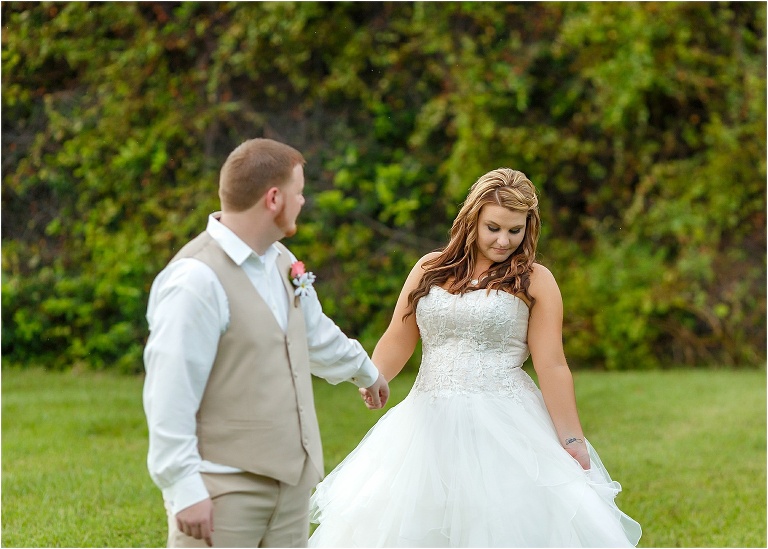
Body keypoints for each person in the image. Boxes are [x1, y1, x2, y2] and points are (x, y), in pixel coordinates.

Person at [309, 168, 642, 547]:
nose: (503, 241)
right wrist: (374, 375)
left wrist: (571, 440)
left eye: (515, 230)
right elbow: (399, 335)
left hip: (504, 423)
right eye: (493, 228)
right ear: (472, 220)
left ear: (528, 228)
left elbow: (551, 364)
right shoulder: (429, 269)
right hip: (425, 420)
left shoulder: (535, 280)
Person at [143, 138, 390, 548]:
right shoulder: (195, 280)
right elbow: (169, 391)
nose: (303, 201)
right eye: (299, 192)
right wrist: (184, 487)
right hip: (223, 490)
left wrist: (366, 371)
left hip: (292, 485)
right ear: (274, 198)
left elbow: (315, 336)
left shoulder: (280, 261)